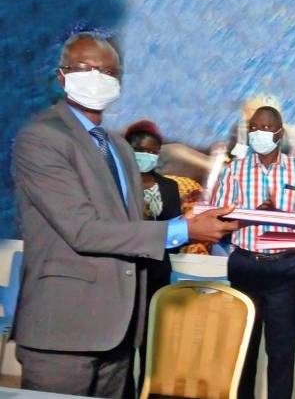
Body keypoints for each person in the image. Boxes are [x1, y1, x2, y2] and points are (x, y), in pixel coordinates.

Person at [11, 32, 238, 398]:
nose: (96, 77)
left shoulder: (117, 146)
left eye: (107, 71)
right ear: (62, 76)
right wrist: (182, 230)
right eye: (84, 68)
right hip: (64, 330)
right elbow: (83, 230)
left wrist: (201, 221)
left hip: (120, 329)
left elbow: (129, 228)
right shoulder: (41, 138)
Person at [211, 106, 295, 399]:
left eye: (266, 128)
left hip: (285, 268)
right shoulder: (235, 170)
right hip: (246, 265)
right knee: (243, 348)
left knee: (281, 352)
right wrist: (252, 216)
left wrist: (277, 214)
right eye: (254, 128)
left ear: (280, 133)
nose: (259, 133)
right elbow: (219, 218)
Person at [123, 120, 182, 392]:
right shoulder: (116, 184)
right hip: (124, 273)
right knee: (123, 343)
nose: (149, 156)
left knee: (153, 342)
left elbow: (176, 233)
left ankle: (148, 391)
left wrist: (156, 233)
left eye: (154, 152)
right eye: (143, 151)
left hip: (157, 273)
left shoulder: (169, 187)